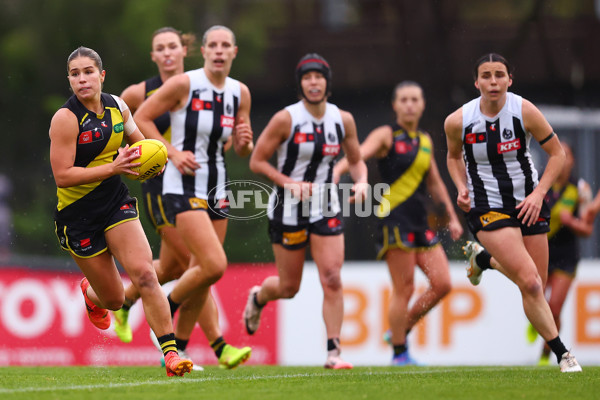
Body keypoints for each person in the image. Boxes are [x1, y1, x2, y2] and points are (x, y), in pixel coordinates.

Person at [48, 46, 192, 377]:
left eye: (88, 72)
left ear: (101, 75)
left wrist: (151, 164)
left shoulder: (118, 106)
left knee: (144, 274)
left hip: (116, 204)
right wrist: (114, 168)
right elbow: (63, 176)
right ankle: (89, 292)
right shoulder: (66, 119)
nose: (82, 79)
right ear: (69, 80)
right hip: (77, 218)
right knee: (113, 301)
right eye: (74, 74)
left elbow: (141, 147)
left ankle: (170, 355)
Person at [114, 26, 249, 370]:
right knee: (209, 263)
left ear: (234, 51)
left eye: (225, 46)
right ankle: (197, 333)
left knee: (197, 270)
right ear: (203, 50)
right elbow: (136, 119)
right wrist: (170, 154)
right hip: (174, 186)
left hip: (218, 185)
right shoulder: (177, 85)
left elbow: (235, 144)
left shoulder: (239, 92)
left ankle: (176, 346)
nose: (219, 51)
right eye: (213, 45)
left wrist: (244, 141)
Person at [445, 52, 581, 372]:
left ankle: (483, 260)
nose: (494, 81)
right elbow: (453, 158)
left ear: (510, 80)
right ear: (476, 82)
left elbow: (557, 154)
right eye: (487, 75)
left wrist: (539, 193)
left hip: (528, 203)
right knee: (531, 284)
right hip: (486, 206)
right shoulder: (458, 121)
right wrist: (460, 187)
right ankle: (564, 354)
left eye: (500, 75)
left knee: (535, 283)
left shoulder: (524, 111)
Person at [244, 53, 368, 370]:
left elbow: (355, 159)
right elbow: (257, 161)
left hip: (326, 204)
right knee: (289, 288)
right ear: (300, 84)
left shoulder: (344, 120)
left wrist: (363, 182)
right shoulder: (286, 118)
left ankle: (334, 352)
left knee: (332, 278)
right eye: (307, 77)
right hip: (288, 207)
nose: (314, 82)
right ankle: (259, 297)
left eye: (319, 76)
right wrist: (288, 183)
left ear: (327, 82)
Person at [333, 81, 463, 365]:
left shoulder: (426, 141)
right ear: (395, 105)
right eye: (403, 100)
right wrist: (339, 172)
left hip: (420, 221)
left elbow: (436, 183)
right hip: (393, 219)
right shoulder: (386, 135)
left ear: (422, 104)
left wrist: (452, 217)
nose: (409, 104)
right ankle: (399, 354)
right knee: (404, 288)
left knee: (442, 284)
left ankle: (398, 331)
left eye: (414, 99)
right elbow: (358, 154)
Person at [525, 141, 600, 364]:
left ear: (573, 161)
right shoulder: (538, 183)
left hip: (567, 255)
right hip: (541, 250)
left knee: (555, 307)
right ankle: (536, 321)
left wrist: (572, 222)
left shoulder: (580, 189)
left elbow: (587, 229)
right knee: (535, 296)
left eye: (567, 156)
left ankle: (544, 356)